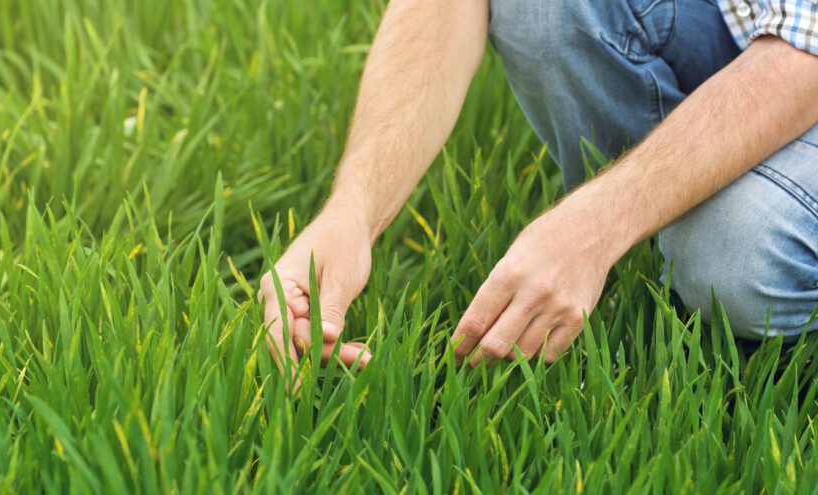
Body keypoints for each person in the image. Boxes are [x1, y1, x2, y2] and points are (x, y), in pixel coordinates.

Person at [259, 0, 818, 377]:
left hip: (802, 53)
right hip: (741, 24)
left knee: (731, 254)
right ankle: (629, 262)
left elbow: (805, 51)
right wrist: (351, 213)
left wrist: (593, 225)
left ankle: (631, 250)